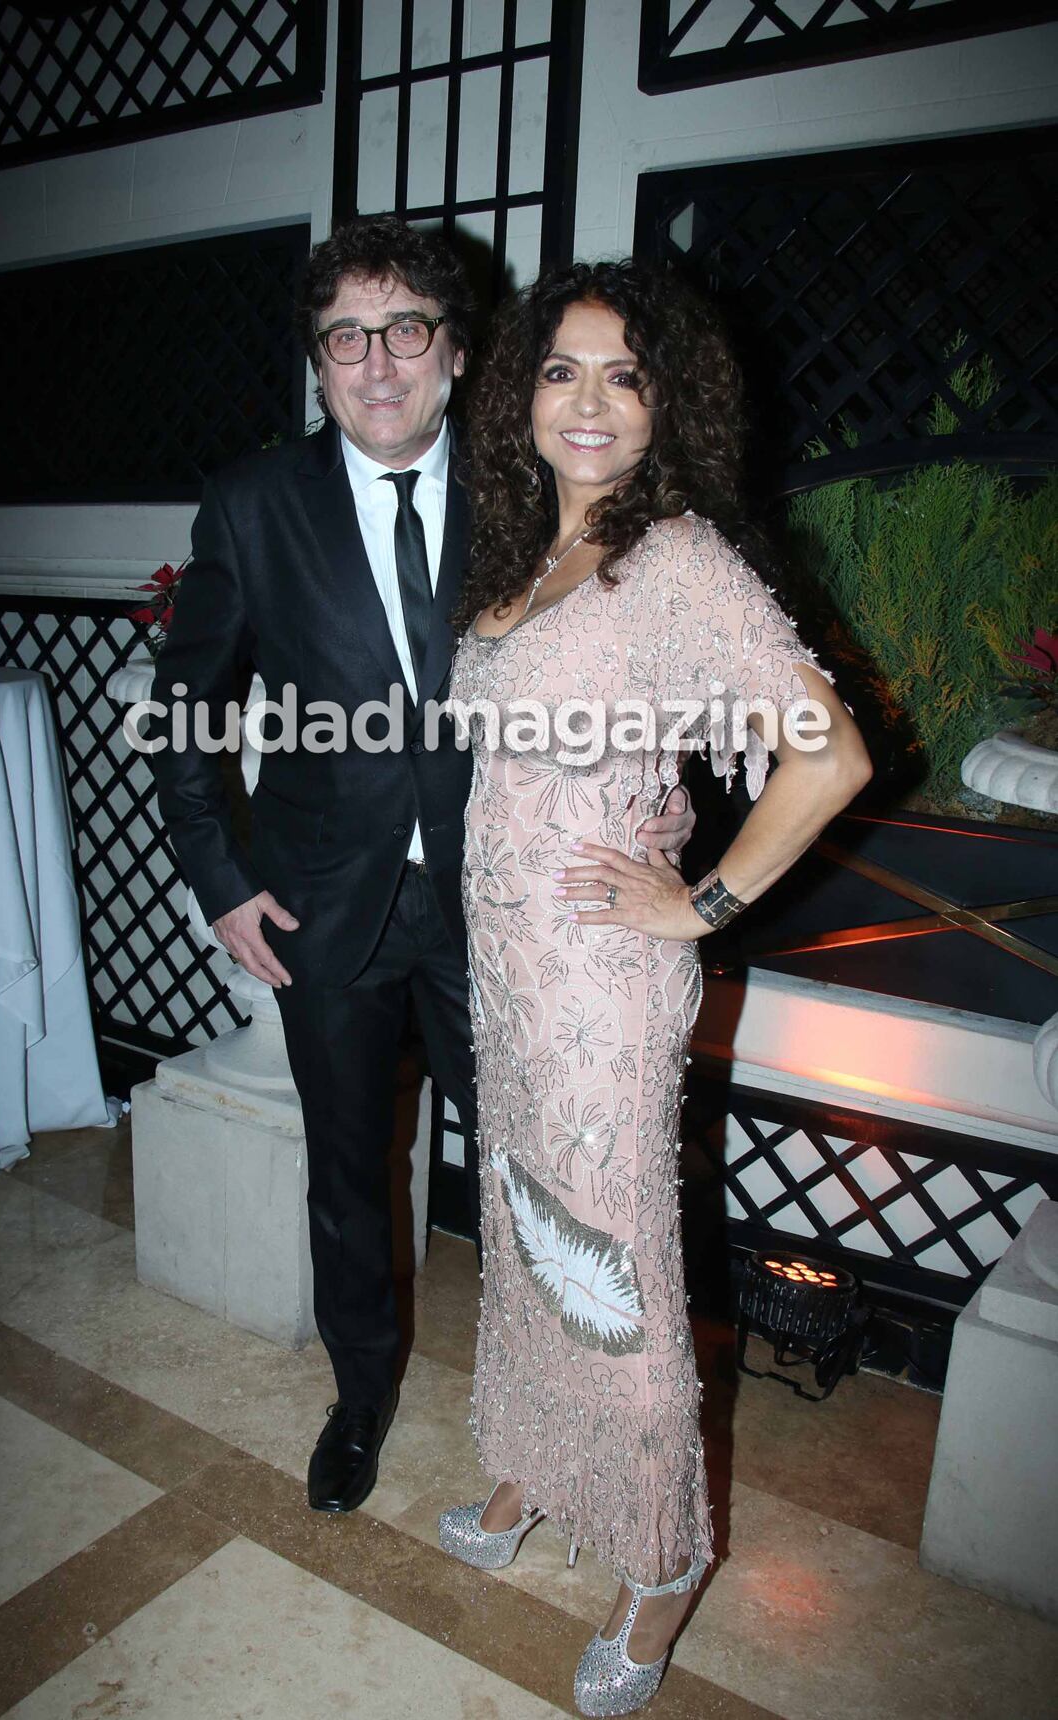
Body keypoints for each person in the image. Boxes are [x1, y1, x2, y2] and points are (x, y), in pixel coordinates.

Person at [150, 219, 694, 1521]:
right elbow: (183, 710)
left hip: (499, 903)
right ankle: (362, 1396)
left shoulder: (534, 487)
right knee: (346, 1171)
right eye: (347, 336)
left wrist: (661, 799)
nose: (377, 362)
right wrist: (219, 878)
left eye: (405, 330)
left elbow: (636, 661)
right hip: (317, 903)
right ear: (319, 363)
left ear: (454, 353)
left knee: (531, 1169)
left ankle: (559, 1411)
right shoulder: (251, 503)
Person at [438, 259, 872, 1717]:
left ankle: (664, 1555)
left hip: (605, 989)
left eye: (625, 374)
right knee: (520, 1225)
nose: (591, 400)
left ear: (665, 402)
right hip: (508, 981)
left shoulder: (676, 561)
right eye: (563, 369)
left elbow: (831, 756)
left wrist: (699, 904)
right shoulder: (524, 553)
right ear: (521, 395)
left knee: (614, 1264)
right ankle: (536, 1468)